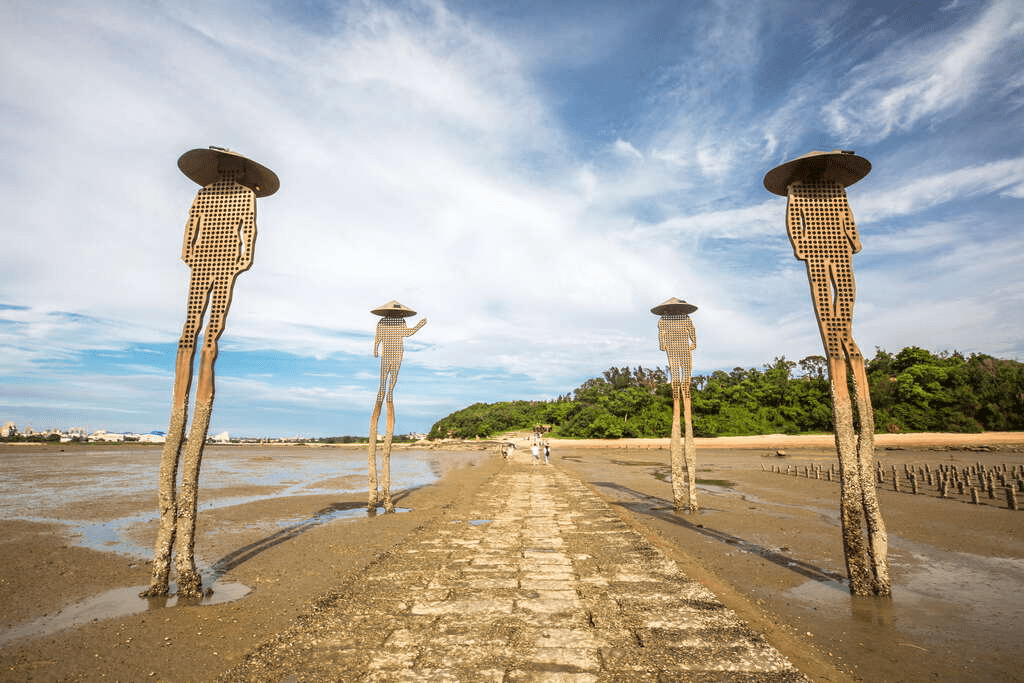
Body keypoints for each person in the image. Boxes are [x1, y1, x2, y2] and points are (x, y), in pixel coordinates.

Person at [144, 146, 279, 598]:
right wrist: (192, 253)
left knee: (211, 330)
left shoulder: (242, 197)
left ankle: (178, 564)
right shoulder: (212, 197)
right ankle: (168, 562)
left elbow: (247, 235)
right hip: (205, 260)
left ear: (240, 170)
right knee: (193, 326)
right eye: (225, 166)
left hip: (218, 261)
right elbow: (193, 229)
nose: (229, 171)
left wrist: (238, 259)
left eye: (233, 167)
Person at [367, 301, 427, 511]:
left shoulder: (400, 322)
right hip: (386, 354)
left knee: (394, 379)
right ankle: (383, 393)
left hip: (398, 352)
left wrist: (419, 326)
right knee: (383, 379)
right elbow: (378, 338)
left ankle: (389, 394)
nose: (394, 313)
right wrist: (375, 348)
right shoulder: (382, 323)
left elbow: (408, 334)